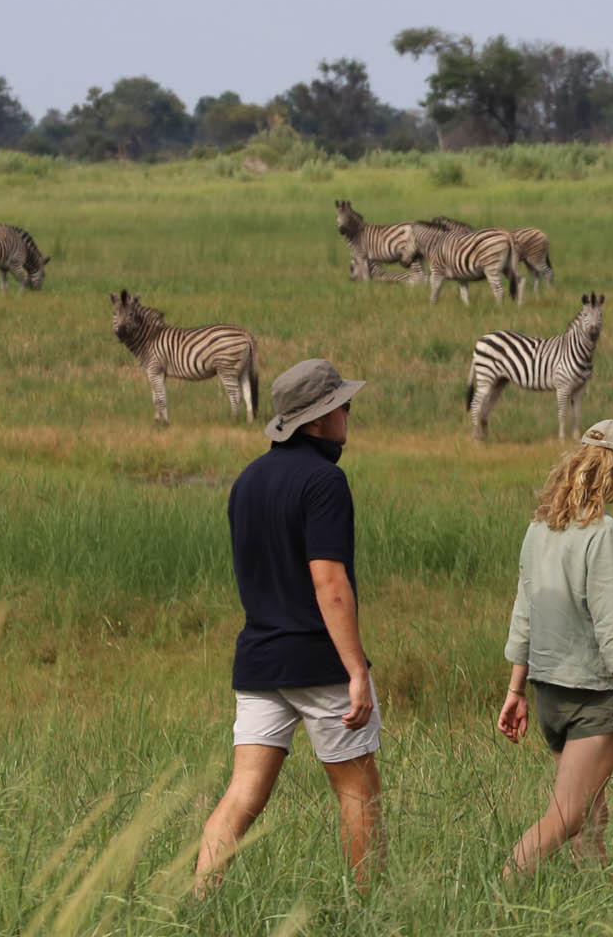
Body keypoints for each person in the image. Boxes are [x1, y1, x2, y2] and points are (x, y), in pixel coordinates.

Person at [195, 358, 381, 895]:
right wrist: (354, 670)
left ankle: (198, 901)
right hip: (318, 662)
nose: (349, 411)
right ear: (319, 419)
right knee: (357, 792)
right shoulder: (326, 480)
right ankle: (368, 910)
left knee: (242, 793)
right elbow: (329, 583)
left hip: (258, 662)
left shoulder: (247, 481)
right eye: (342, 404)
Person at [495, 420, 613, 878]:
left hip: (549, 695)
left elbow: (523, 612)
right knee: (566, 817)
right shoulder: (602, 533)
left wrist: (516, 690)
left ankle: (597, 903)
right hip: (591, 695)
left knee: (591, 813)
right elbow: (611, 625)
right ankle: (500, 893)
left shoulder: (539, 530)